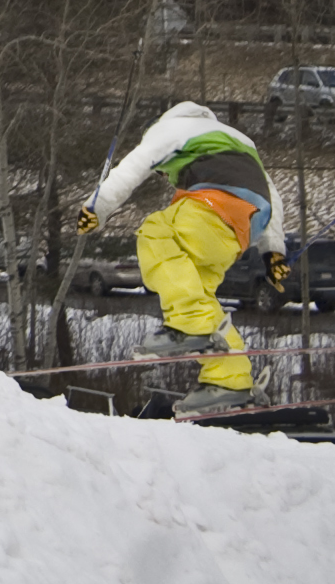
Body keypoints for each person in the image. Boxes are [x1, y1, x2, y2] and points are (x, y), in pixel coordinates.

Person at [78, 100, 289, 414]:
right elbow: (272, 196)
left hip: (214, 203)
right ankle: (230, 380)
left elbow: (134, 165)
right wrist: (273, 252)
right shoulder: (241, 143)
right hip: (239, 229)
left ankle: (188, 326)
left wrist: (97, 207)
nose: (166, 176)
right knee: (199, 296)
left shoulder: (172, 128)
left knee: (157, 232)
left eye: (165, 172)